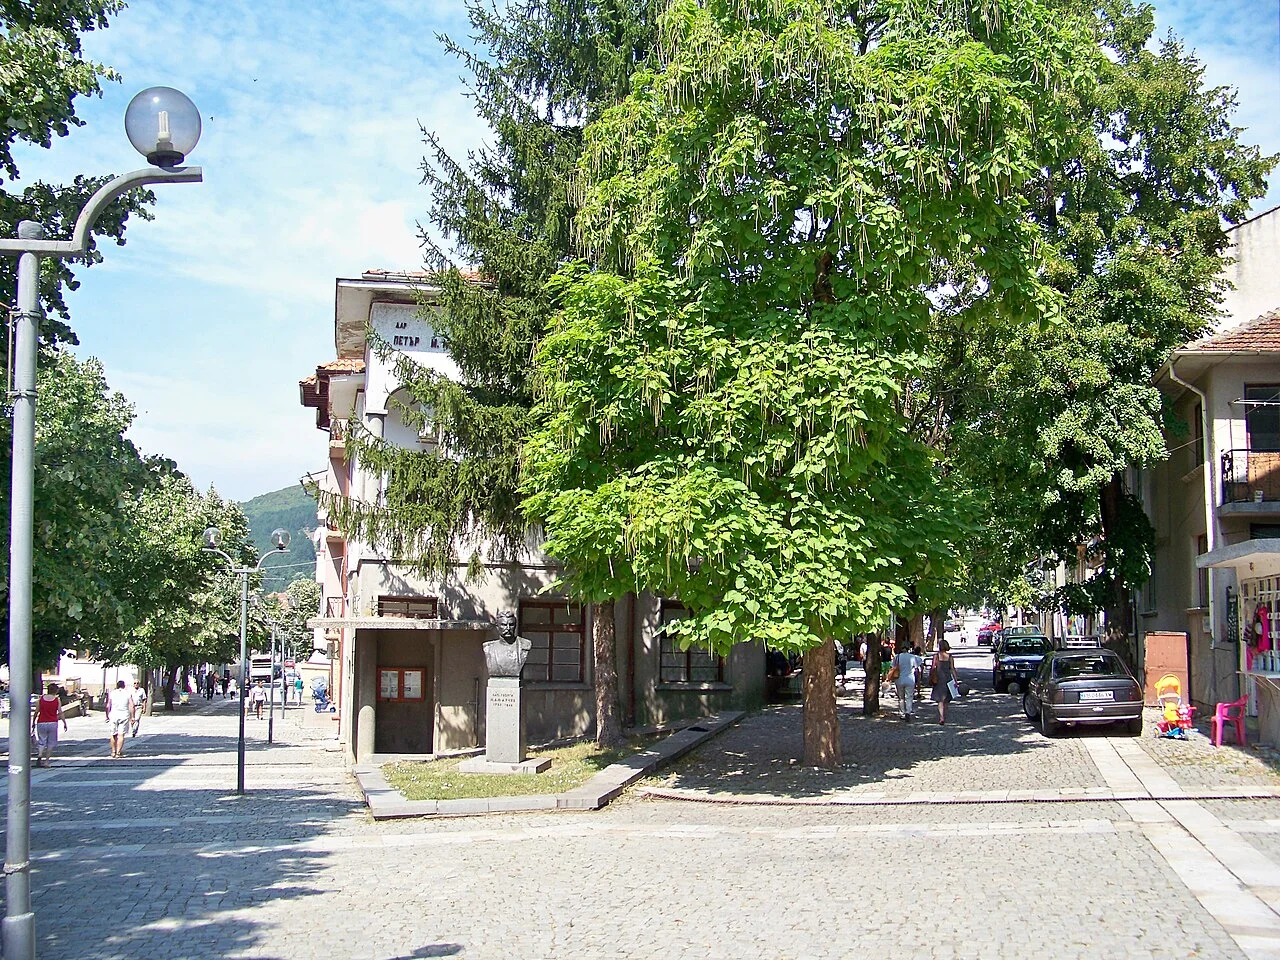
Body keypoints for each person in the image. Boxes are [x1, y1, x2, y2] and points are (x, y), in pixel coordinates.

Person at [32, 682, 67, 767]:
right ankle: (46, 762)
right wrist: (64, 722)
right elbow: (60, 712)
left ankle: (40, 755)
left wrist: (33, 721)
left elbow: (36, 711)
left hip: (41, 722)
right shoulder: (56, 700)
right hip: (52, 723)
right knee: (51, 743)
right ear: (56, 691)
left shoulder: (41, 699)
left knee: (41, 741)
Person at [893, 643, 923, 721]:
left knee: (901, 697)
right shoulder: (912, 657)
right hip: (910, 678)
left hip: (899, 678)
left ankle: (902, 712)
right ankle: (908, 712)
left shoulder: (897, 657)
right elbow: (918, 665)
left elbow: (893, 667)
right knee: (909, 696)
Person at [106, 680, 135, 759]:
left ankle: (113, 751)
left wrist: (107, 716)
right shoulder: (127, 693)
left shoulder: (112, 693)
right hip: (124, 715)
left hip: (114, 715)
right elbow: (132, 705)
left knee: (113, 734)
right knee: (121, 734)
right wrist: (132, 716)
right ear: (124, 686)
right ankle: (118, 753)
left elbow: (108, 705)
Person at [931, 638, 956, 725]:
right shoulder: (950, 657)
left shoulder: (936, 656)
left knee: (940, 700)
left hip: (938, 678)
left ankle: (941, 717)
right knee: (946, 700)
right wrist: (956, 681)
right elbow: (952, 669)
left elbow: (933, 667)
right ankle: (944, 715)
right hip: (947, 679)